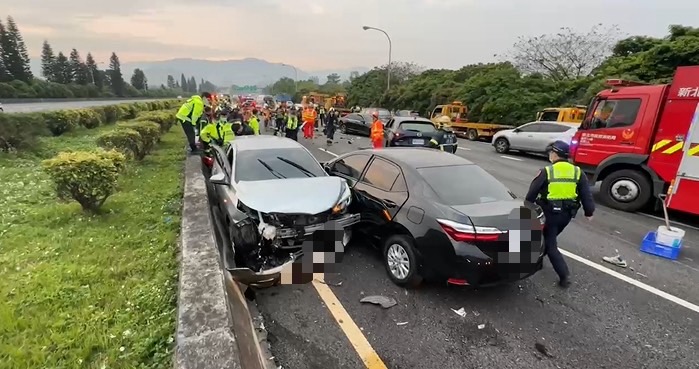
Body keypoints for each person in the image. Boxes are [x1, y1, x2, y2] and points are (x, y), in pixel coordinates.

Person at [525, 140, 595, 288]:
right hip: (566, 215)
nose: (550, 155)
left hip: (549, 213)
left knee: (550, 244)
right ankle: (537, 262)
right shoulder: (578, 172)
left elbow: (532, 193)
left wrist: (527, 208)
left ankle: (564, 276)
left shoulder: (547, 171)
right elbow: (586, 195)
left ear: (555, 154)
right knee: (547, 238)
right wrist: (589, 212)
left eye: (551, 153)